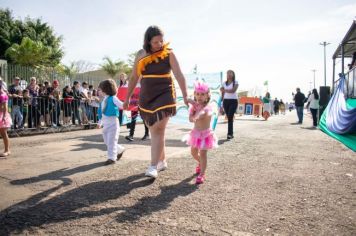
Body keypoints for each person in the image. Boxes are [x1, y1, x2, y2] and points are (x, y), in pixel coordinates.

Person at [123, 25, 188, 178]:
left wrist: (185, 95)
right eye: (155, 42)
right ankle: (162, 160)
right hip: (147, 95)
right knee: (155, 130)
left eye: (161, 41)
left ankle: (153, 166)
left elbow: (179, 74)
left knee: (158, 129)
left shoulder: (169, 54)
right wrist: (127, 98)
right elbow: (133, 78)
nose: (159, 45)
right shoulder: (140, 54)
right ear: (148, 42)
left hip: (165, 93)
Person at [183, 81, 218, 184]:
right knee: (193, 153)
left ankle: (202, 174)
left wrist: (193, 104)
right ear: (194, 94)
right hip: (195, 134)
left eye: (202, 94)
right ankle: (200, 163)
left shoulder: (208, 108)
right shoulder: (193, 108)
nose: (200, 96)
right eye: (197, 94)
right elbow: (191, 119)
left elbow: (201, 115)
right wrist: (192, 113)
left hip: (206, 135)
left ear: (207, 96)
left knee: (203, 153)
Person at [97, 79, 125, 165]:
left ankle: (112, 158)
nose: (98, 91)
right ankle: (119, 149)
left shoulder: (113, 98)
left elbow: (121, 105)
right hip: (106, 124)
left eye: (100, 90)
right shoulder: (103, 101)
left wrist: (128, 103)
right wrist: (99, 122)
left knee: (111, 142)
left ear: (106, 90)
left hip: (113, 123)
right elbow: (102, 113)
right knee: (107, 141)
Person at [220, 70, 238, 139]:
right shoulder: (224, 83)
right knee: (229, 117)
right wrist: (221, 104)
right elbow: (222, 94)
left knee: (230, 116)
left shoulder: (235, 82)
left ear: (233, 74)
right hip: (225, 101)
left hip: (233, 101)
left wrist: (224, 90)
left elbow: (233, 90)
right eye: (228, 73)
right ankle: (231, 133)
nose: (229, 74)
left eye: (231, 73)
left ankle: (229, 134)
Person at [0, 80, 12, 157]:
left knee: (3, 133)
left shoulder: (2, 95)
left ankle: (7, 150)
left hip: (2, 115)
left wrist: (4, 116)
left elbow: (5, 107)